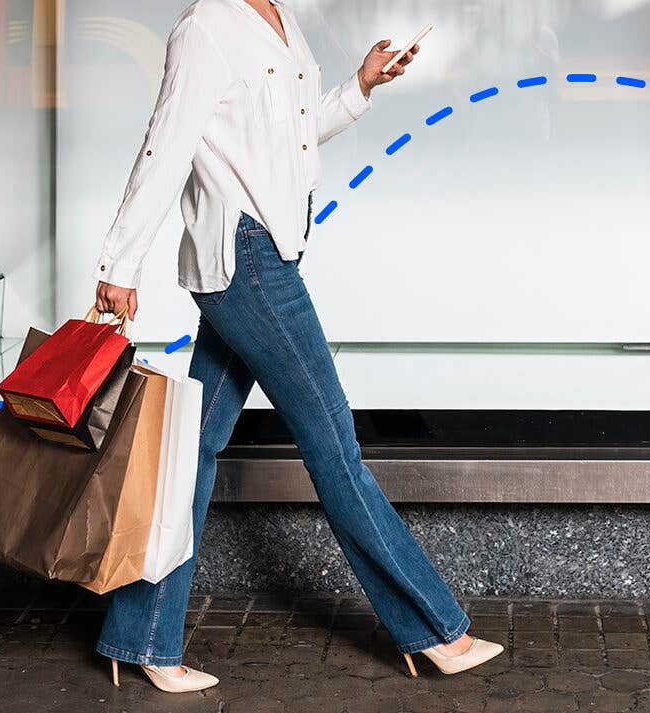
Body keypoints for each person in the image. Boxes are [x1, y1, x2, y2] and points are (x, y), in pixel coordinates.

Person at [91, 0, 504, 693]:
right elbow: (166, 144)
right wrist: (119, 263)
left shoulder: (277, 17)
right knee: (334, 447)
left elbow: (294, 136)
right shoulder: (204, 29)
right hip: (247, 260)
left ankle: (140, 636)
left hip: (265, 254)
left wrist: (360, 87)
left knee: (192, 446)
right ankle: (435, 629)